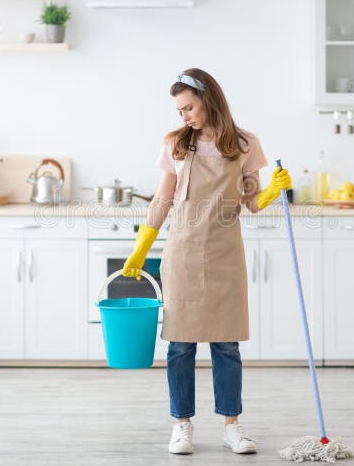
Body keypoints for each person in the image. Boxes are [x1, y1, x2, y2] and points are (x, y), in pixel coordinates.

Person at [122, 68, 291, 456]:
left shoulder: (246, 144)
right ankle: (182, 425)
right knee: (180, 345)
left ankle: (232, 426)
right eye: (180, 110)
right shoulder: (176, 144)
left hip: (224, 253)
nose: (184, 116)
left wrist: (274, 193)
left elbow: (251, 202)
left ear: (208, 99)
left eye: (189, 108)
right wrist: (142, 245)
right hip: (181, 251)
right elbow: (163, 199)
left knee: (226, 344)